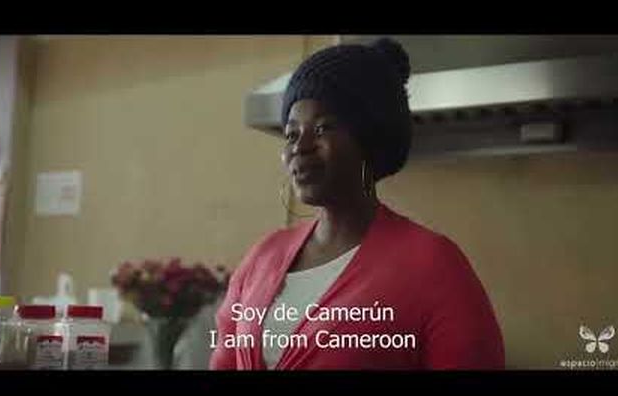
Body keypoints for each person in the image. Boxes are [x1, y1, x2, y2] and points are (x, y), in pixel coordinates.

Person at [210, 38, 504, 370]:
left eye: (323, 128)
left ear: (369, 139)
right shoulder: (262, 258)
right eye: (291, 134)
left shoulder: (433, 266)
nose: (300, 147)